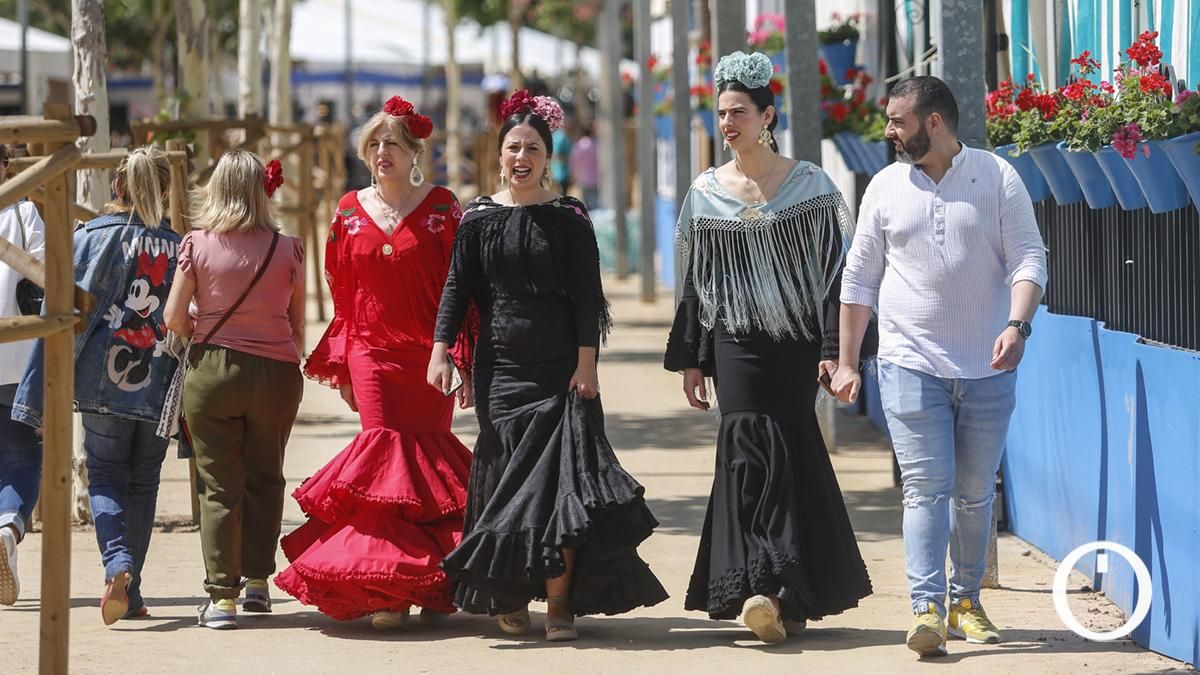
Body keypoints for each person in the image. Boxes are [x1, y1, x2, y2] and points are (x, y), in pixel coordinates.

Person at [430, 89, 668, 642]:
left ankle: (559, 604)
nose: (521, 157)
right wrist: (441, 350)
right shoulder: (477, 219)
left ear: (548, 156)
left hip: (561, 373)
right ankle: (509, 592)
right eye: (512, 147)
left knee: (561, 487)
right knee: (506, 484)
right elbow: (456, 290)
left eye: (532, 148)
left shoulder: (569, 218)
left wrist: (588, 366)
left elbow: (589, 298)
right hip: (500, 371)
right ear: (499, 155)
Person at [831, 75, 1047, 657]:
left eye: (898, 120)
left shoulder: (996, 177)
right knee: (926, 488)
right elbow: (859, 280)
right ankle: (925, 607)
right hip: (908, 361)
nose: (888, 131)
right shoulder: (882, 187)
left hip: (988, 364)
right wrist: (848, 361)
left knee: (976, 493)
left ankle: (965, 600)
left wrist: (1017, 325)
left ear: (934, 122)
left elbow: (1029, 256)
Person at [663, 51, 873, 644]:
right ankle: (762, 586)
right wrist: (693, 360)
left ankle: (789, 590)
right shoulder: (705, 193)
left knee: (793, 448)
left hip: (797, 347)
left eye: (738, 112)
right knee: (745, 448)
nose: (727, 123)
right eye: (720, 112)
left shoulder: (812, 187)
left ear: (767, 115)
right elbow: (697, 285)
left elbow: (840, 277)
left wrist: (835, 349)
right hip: (736, 344)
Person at [274, 96, 475, 630]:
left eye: (392, 143)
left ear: (415, 152)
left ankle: (430, 582)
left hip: (429, 356)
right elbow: (341, 287)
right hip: (371, 352)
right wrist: (341, 362)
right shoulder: (346, 209)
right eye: (374, 144)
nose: (382, 151)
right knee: (383, 458)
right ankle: (387, 590)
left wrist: (460, 351)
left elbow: (464, 288)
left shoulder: (442, 207)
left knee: (426, 468)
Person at [13, 146, 180, 624]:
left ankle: (118, 566)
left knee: (105, 474)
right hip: (157, 380)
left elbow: (60, 310)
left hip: (102, 382)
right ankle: (134, 589)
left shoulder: (89, 237)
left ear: (117, 187)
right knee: (145, 481)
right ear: (165, 190)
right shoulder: (177, 244)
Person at [164, 149, 306, 630]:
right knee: (266, 476)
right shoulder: (288, 248)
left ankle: (222, 597)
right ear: (263, 191)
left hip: (213, 372)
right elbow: (297, 324)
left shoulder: (197, 244)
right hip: (276, 371)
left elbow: (173, 318)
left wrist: (205, 328)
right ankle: (259, 586)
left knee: (219, 485)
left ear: (217, 187)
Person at [0, 144, 45, 607]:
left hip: (16, 358)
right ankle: (9, 524)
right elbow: (50, 274)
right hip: (16, 357)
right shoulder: (23, 213)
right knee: (20, 457)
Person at [569, 124, 599, 208]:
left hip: (582, 177)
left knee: (586, 202)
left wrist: (574, 175)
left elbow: (574, 161)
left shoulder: (579, 144)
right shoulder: (596, 144)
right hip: (595, 177)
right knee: (595, 201)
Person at [550, 118, 573, 195]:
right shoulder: (562, 136)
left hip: (555, 170)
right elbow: (558, 154)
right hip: (562, 172)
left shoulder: (555, 135)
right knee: (562, 194)